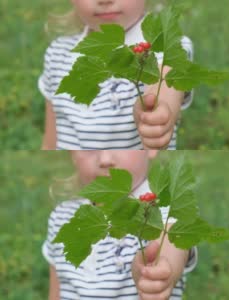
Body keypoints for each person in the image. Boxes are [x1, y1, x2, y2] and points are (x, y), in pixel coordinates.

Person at [43, 150, 197, 299]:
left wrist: (161, 269)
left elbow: (172, 240)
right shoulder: (62, 216)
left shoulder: (162, 210)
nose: (104, 160)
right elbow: (57, 291)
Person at [40, 0, 193, 150]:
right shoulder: (57, 53)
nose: (105, 1)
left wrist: (158, 110)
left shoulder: (167, 46)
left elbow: (165, 81)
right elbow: (50, 143)